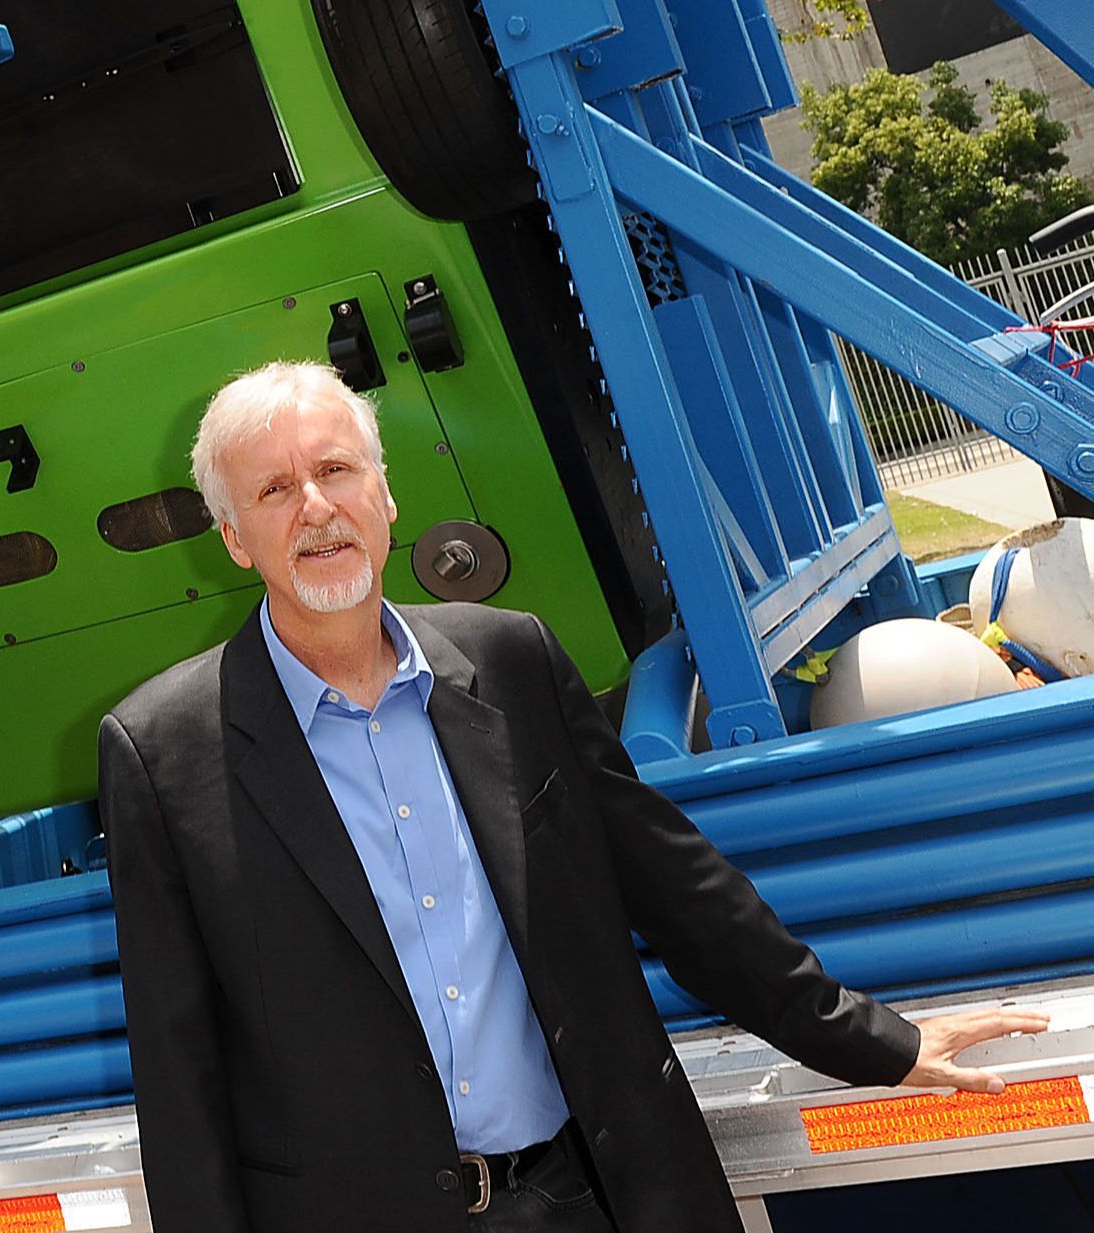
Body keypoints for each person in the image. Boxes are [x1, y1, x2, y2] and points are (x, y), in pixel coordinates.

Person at [98, 360, 1044, 1231]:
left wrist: (871, 1039)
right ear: (231, 536)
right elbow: (179, 1078)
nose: (316, 508)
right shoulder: (162, 751)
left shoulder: (510, 660)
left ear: (384, 494)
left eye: (336, 469)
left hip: (595, 1196)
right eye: (273, 489)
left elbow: (675, 888)